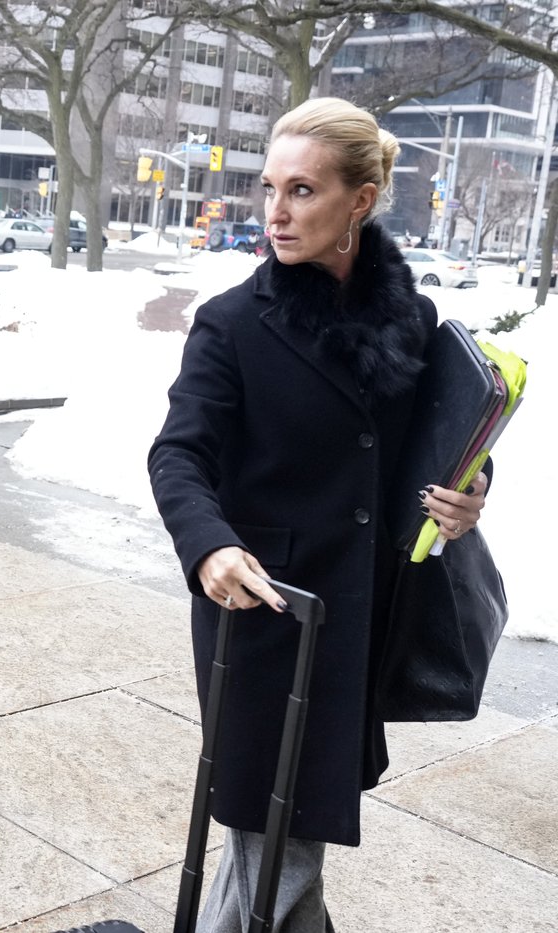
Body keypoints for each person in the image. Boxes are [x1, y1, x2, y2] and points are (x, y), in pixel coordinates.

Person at [147, 97, 488, 931]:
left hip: (361, 619)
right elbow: (178, 455)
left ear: (359, 201)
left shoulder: (410, 320)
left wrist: (469, 491)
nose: (276, 211)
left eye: (302, 190)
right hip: (264, 616)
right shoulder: (232, 324)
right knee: (279, 847)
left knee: (275, 846)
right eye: (270, 188)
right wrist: (209, 546)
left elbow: (436, 443)